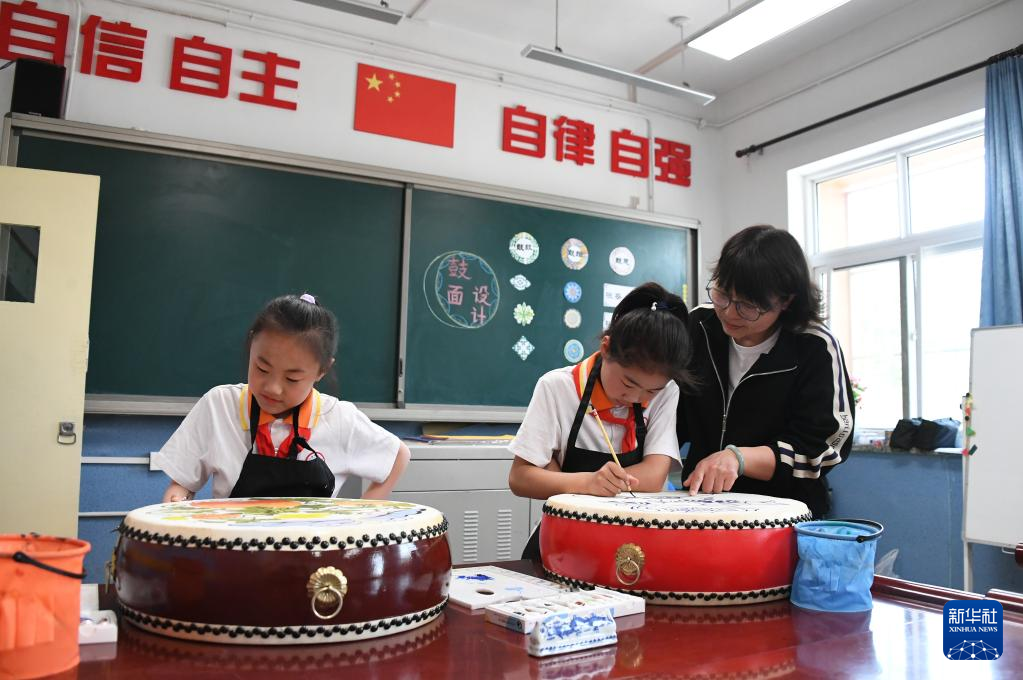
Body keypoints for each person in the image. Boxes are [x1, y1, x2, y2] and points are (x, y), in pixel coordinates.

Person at [156, 293, 410, 502]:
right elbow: (182, 485)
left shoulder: (340, 418)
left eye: (292, 379)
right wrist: (176, 500)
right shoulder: (219, 405)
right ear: (251, 347)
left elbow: (398, 455)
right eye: (262, 369)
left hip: (312, 549)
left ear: (322, 371)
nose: (273, 388)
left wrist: (361, 519)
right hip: (233, 547)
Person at [677, 225, 854, 518]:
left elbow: (824, 448)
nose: (729, 312)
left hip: (782, 514)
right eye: (722, 294)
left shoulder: (814, 347)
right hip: (702, 504)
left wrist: (739, 458)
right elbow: (668, 411)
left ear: (786, 301)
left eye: (748, 306)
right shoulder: (699, 327)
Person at [509, 282, 694, 559]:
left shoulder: (667, 393)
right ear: (606, 348)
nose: (635, 398)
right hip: (565, 536)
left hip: (634, 539)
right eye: (628, 383)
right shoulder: (558, 387)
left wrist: (559, 477)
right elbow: (521, 477)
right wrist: (587, 483)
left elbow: (655, 476)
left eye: (651, 391)